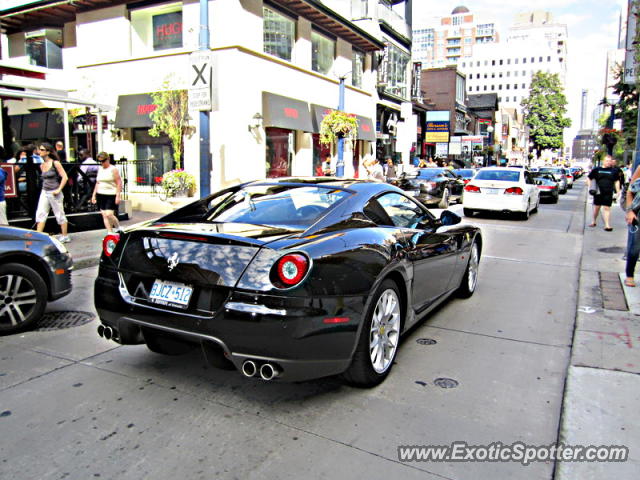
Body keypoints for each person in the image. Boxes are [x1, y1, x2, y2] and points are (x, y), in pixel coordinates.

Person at [35, 142, 70, 242]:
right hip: (44, 191)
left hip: (54, 191)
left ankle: (65, 235)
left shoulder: (55, 163)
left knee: (59, 213)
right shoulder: (42, 165)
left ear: (48, 152)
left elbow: (65, 177)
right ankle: (39, 236)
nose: (39, 152)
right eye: (39, 150)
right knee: (41, 213)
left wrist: (59, 189)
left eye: (42, 150)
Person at [588, 155, 621, 231]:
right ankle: (593, 221)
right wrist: (591, 188)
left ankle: (607, 225)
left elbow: (616, 181)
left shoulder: (614, 171)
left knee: (607, 208)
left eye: (609, 161)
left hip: (608, 192)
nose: (608, 162)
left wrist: (618, 191)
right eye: (607, 161)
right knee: (597, 207)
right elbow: (589, 178)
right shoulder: (597, 170)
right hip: (598, 192)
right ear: (603, 161)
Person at [91, 152, 122, 234]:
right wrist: (93, 195)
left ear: (108, 159)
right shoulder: (100, 169)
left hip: (111, 193)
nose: (102, 163)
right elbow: (97, 183)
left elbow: (119, 182)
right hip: (100, 193)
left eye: (103, 161)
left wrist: (118, 195)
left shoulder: (113, 169)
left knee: (109, 214)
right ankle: (109, 232)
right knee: (104, 214)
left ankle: (118, 227)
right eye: (100, 161)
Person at [624, 164, 640, 287]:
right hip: (637, 214)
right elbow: (630, 191)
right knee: (634, 248)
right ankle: (629, 275)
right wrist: (629, 211)